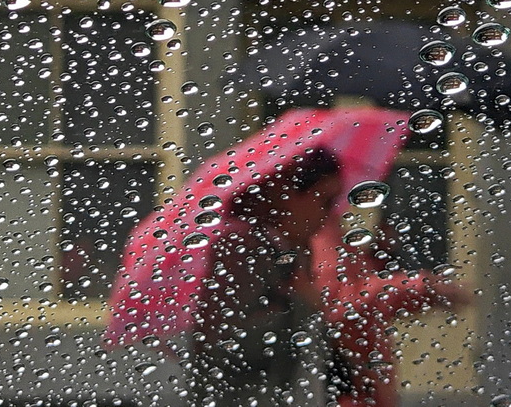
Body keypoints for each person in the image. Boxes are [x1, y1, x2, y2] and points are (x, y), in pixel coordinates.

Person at [186, 150, 469, 406]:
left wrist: (378, 258)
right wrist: (305, 303)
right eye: (324, 200)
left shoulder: (292, 249)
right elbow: (230, 342)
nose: (327, 215)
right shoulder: (244, 248)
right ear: (286, 193)